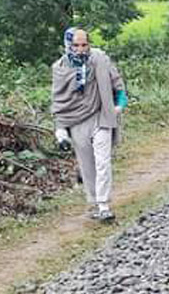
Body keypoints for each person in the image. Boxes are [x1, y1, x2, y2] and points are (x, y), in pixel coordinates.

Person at [52, 28, 128, 223]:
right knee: (87, 165)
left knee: (103, 161)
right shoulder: (60, 68)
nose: (80, 49)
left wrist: (119, 105)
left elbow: (117, 83)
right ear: (68, 45)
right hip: (77, 122)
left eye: (84, 44)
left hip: (101, 115)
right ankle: (94, 201)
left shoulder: (100, 59)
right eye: (75, 45)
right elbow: (59, 103)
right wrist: (61, 132)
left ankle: (104, 205)